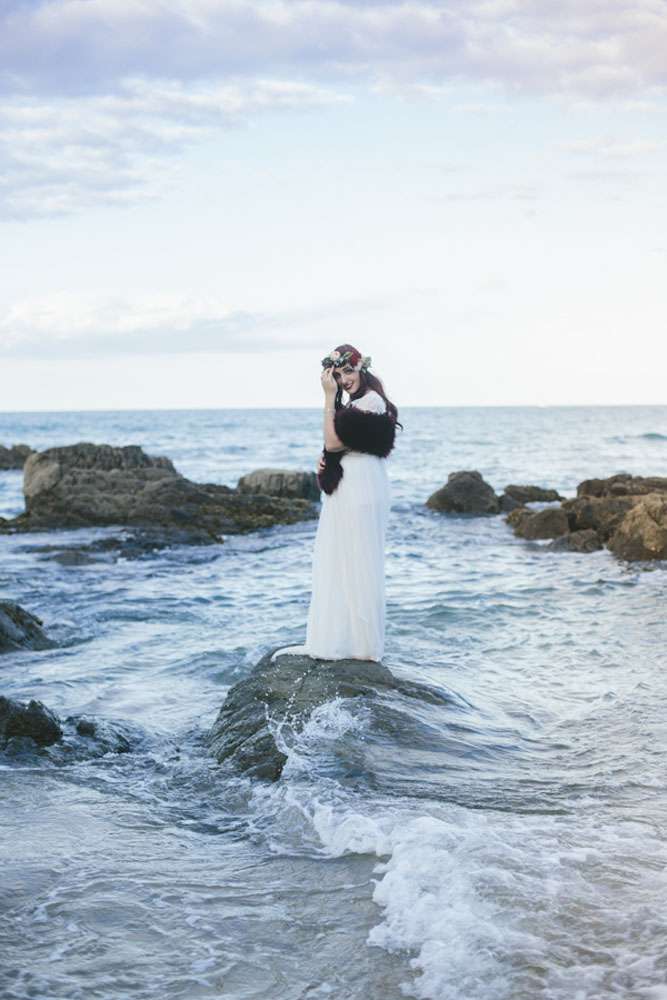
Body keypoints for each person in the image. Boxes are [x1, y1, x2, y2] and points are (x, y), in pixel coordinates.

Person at [272, 344, 402, 663]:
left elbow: (333, 442)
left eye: (348, 371)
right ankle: (347, 640)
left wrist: (328, 399)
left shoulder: (370, 401)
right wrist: (329, 457)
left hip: (360, 487)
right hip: (356, 481)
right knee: (343, 560)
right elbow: (339, 446)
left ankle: (362, 647)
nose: (343, 379)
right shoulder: (361, 402)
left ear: (361, 368)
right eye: (337, 374)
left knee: (357, 561)